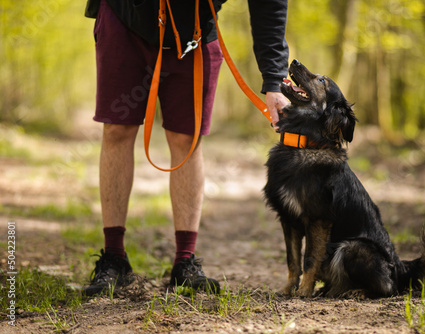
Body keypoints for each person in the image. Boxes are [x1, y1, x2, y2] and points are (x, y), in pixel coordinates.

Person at [83, 0, 289, 296]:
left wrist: (274, 79)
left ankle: (185, 262)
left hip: (195, 29)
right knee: (117, 128)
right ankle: (114, 258)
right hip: (124, 16)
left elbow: (268, 4)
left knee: (187, 137)